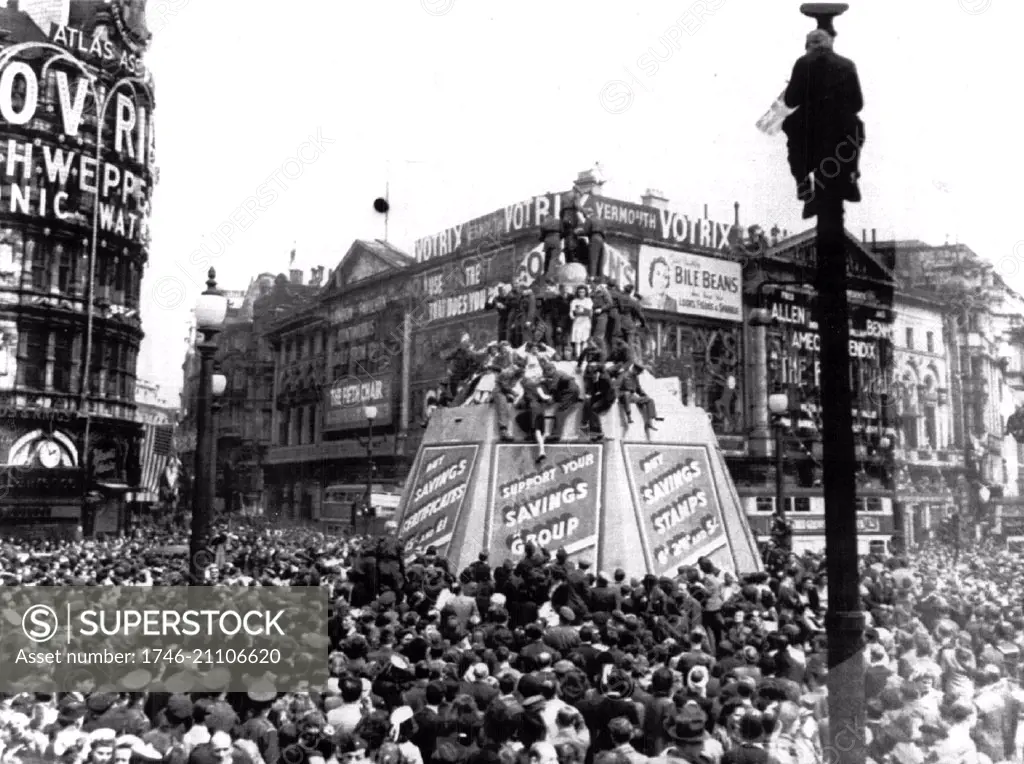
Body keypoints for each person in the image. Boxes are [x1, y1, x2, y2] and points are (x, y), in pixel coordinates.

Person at [782, 28, 865, 215]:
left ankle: (803, 183)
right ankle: (851, 176)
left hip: (810, 129)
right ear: (830, 44)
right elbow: (857, 104)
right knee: (857, 130)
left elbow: (790, 100)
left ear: (809, 46)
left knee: (792, 134)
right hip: (841, 129)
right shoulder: (847, 65)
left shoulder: (803, 64)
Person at [539, 360, 580, 443]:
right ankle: (556, 433)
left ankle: (557, 434)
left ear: (550, 370)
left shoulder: (556, 374)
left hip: (570, 391)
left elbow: (553, 388)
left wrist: (550, 397)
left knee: (560, 411)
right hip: (571, 391)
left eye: (546, 373)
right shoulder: (559, 373)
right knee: (560, 409)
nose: (546, 375)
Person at [569, 285, 593, 361]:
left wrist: (580, 310)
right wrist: (572, 315)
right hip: (577, 322)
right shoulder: (574, 301)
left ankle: (584, 356)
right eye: (580, 292)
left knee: (585, 340)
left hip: (585, 322)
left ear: (585, 292)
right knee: (577, 340)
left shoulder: (588, 300)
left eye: (583, 292)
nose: (581, 293)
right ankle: (578, 356)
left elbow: (587, 311)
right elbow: (572, 311)